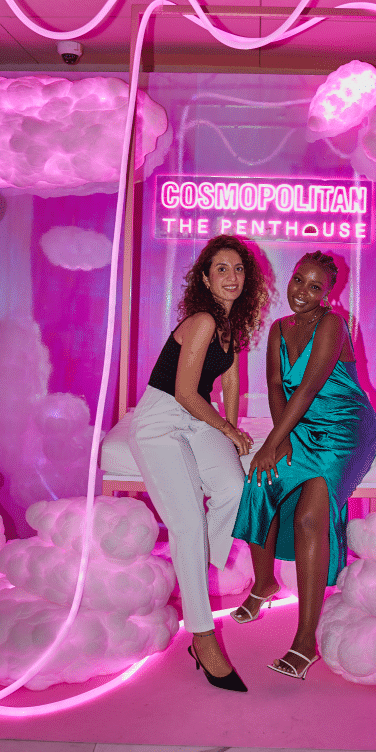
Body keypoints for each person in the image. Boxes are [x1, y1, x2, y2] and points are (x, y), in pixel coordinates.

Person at [231, 250, 376, 680]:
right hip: (299, 423)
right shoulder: (279, 329)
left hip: (344, 427)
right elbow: (276, 385)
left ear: (327, 294)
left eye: (315, 287)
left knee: (309, 519)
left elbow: (309, 387)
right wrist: (280, 440)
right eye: (299, 280)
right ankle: (264, 583)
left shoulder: (333, 324)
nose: (302, 291)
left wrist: (271, 442)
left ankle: (304, 642)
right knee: (260, 482)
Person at [129, 235, 268, 693]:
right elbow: (186, 392)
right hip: (162, 418)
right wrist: (227, 429)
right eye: (221, 269)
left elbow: (230, 381)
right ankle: (202, 637)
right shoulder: (203, 321)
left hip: (196, 419)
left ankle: (191, 564)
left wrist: (231, 432)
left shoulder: (232, 325)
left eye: (238, 269)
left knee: (234, 489)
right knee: (188, 523)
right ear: (205, 280)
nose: (232, 276)